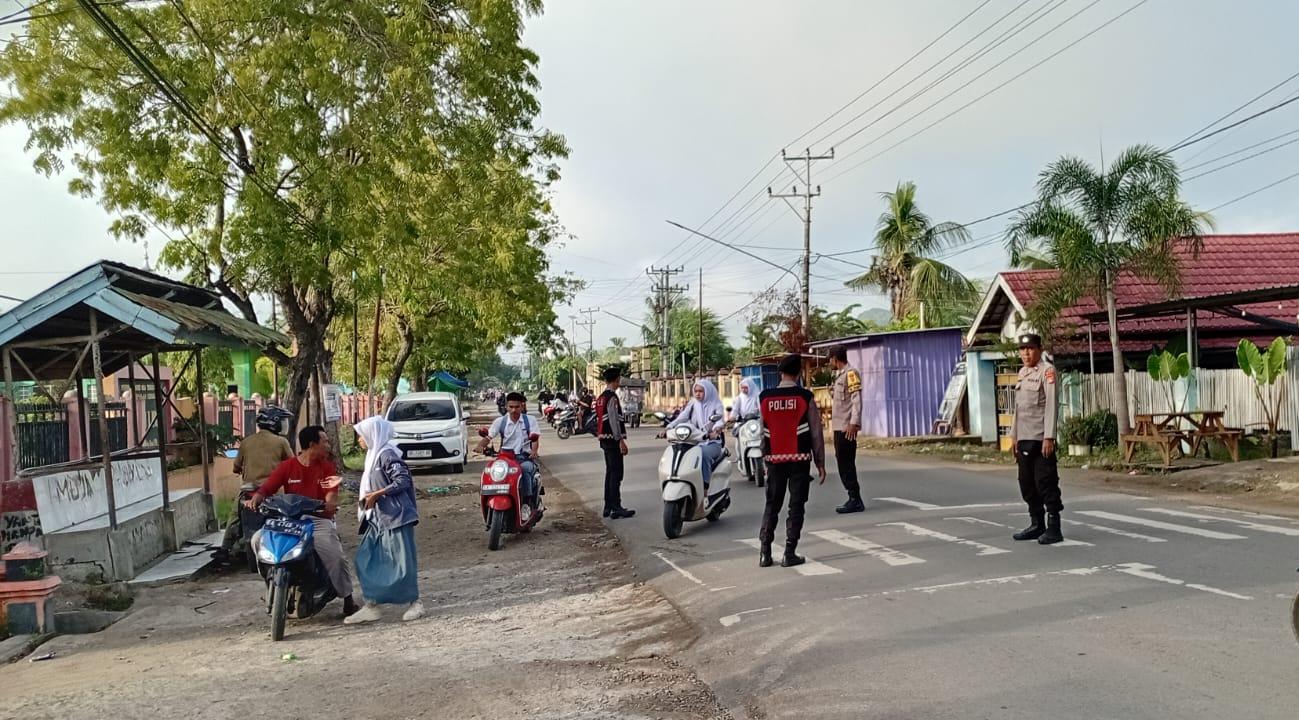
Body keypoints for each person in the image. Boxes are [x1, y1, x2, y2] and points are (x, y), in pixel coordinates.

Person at [245, 425, 358, 617]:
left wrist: (330, 503)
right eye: (325, 441)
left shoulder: (327, 467)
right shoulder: (287, 466)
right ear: (312, 444)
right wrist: (257, 498)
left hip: (317, 520)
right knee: (258, 540)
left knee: (335, 556)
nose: (328, 445)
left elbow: (331, 493)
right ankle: (270, 581)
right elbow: (268, 487)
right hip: (290, 519)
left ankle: (348, 598)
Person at [345, 416, 423, 624]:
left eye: (362, 435)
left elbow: (402, 481)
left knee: (402, 563)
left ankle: (415, 603)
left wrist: (378, 495)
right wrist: (343, 482)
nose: (359, 440)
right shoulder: (373, 457)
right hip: (377, 519)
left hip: (396, 516)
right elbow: (370, 486)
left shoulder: (387, 455)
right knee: (365, 559)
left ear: (373, 434)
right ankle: (372, 604)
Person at [757, 354, 827, 568]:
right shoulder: (804, 397)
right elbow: (816, 432)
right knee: (796, 506)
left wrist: (765, 458)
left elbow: (762, 432)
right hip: (799, 460)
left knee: (772, 505)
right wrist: (820, 462)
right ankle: (789, 552)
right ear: (798, 373)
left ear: (780, 373)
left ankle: (765, 553)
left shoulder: (765, 398)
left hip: (774, 460)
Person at [215, 406, 293, 561]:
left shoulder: (246, 442)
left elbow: (236, 467)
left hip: (248, 490)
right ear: (274, 422)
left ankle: (225, 548)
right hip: (273, 491)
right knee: (287, 514)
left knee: (235, 517)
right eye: (282, 421)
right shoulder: (281, 442)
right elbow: (292, 464)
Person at [1010, 333, 1064, 545]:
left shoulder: (1047, 371)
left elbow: (1051, 405)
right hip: (1024, 436)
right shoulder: (1022, 373)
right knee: (1026, 483)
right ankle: (1036, 523)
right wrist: (1013, 436)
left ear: (1040, 350)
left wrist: (1049, 436)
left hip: (1041, 438)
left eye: (1030, 348)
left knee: (1046, 482)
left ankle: (1054, 527)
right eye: (1022, 349)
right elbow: (1018, 408)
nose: (1026, 353)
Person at [476, 392, 541, 507]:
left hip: (524, 458)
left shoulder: (530, 420)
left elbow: (535, 439)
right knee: (491, 471)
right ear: (506, 407)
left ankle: (527, 502)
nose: (514, 410)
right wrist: (480, 446)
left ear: (522, 406)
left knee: (524, 470)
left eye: (517, 407)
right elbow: (489, 436)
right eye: (511, 407)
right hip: (504, 458)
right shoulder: (500, 422)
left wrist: (534, 451)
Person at [664, 378, 726, 488]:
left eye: (700, 391)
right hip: (695, 440)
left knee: (703, 455)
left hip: (712, 442)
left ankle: (705, 485)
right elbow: (682, 418)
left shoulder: (716, 404)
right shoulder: (693, 404)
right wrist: (669, 427)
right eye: (696, 391)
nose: (697, 394)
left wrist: (716, 429)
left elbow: (720, 419)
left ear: (707, 391)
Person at [829, 346, 865, 514]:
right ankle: (853, 498)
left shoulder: (851, 374)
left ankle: (855, 499)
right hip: (839, 426)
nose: (830, 362)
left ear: (835, 359)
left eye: (830, 359)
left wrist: (854, 423)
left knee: (846, 464)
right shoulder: (841, 376)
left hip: (846, 427)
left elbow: (856, 400)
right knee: (842, 462)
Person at [595, 367, 634, 519]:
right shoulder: (612, 398)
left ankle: (608, 506)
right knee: (616, 473)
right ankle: (616, 506)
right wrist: (620, 441)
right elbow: (613, 420)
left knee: (610, 472)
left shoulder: (601, 397)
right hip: (612, 439)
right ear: (617, 380)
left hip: (604, 439)